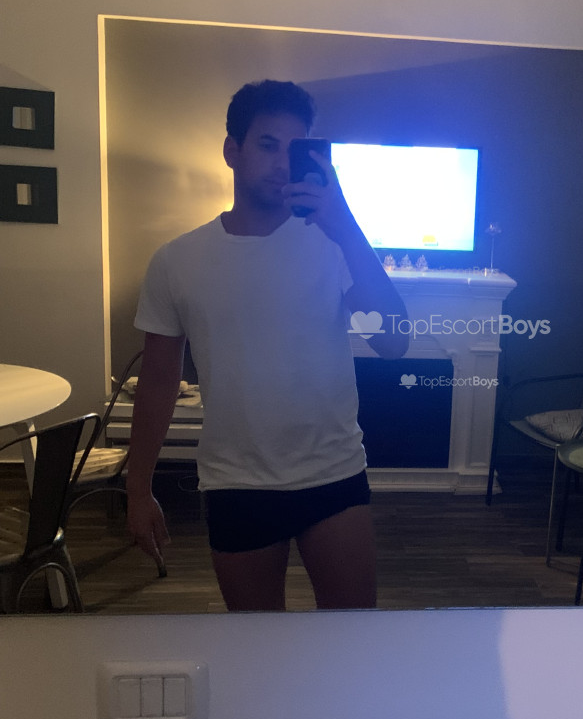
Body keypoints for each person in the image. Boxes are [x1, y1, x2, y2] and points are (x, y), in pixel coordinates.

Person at [126, 79, 408, 611]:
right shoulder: (176, 261)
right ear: (231, 150)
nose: (281, 163)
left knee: (353, 636)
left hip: (333, 472)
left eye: (294, 148)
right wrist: (138, 488)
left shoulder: (335, 243)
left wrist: (345, 225)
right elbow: (159, 382)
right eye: (267, 144)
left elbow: (393, 341)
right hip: (236, 482)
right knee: (257, 644)